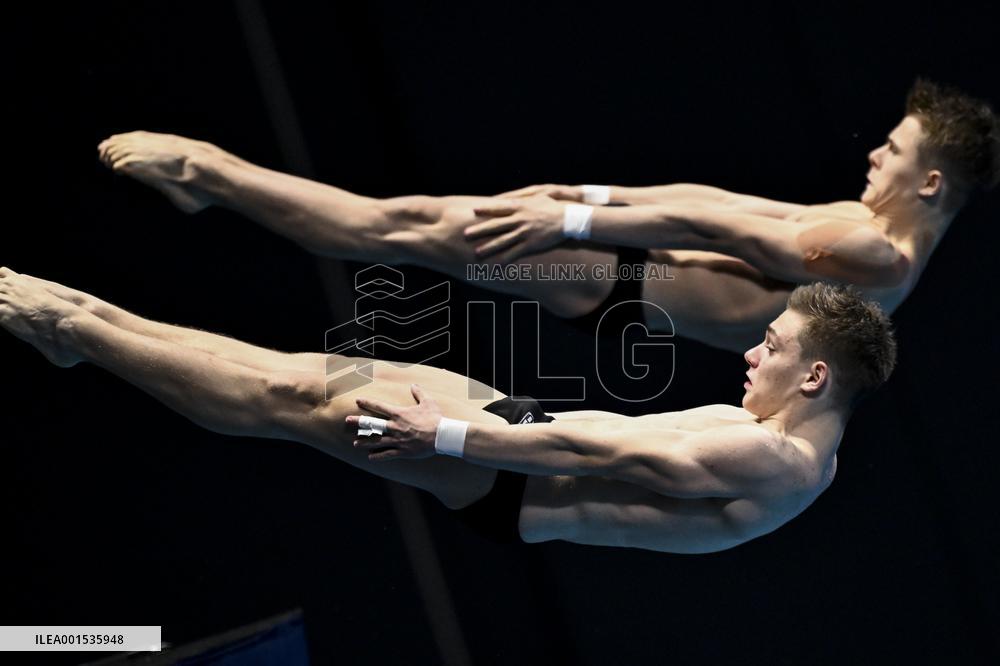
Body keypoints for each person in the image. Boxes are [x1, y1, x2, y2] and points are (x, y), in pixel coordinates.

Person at [0, 269, 895, 553]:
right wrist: (488, 424)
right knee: (290, 371)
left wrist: (454, 434)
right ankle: (89, 325)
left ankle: (70, 327)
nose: (750, 351)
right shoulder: (779, 440)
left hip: (500, 473)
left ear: (816, 378)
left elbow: (607, 458)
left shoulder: (775, 464)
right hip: (512, 434)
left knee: (283, 401)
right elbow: (593, 434)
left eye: (772, 346)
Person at [96, 79, 997, 351]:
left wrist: (568, 227)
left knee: (395, 229)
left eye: (896, 150)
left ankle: (206, 170)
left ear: (930, 185)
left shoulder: (881, 259)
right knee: (405, 221)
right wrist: (587, 199)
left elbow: (721, 232)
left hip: (617, 274)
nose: (875, 153)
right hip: (619, 266)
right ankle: (211, 180)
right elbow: (721, 203)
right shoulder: (865, 222)